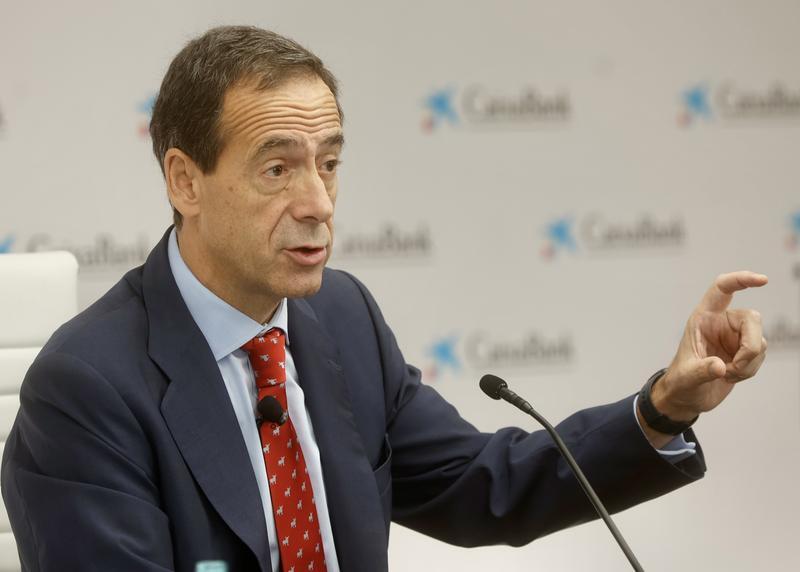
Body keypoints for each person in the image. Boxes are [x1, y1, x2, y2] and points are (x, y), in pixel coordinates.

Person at [1, 25, 767, 572]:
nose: (318, 203)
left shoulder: (340, 318)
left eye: (329, 165)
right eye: (277, 170)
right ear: (184, 181)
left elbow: (481, 486)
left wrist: (664, 407)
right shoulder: (87, 387)